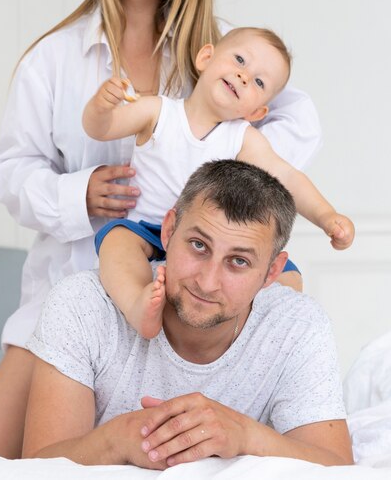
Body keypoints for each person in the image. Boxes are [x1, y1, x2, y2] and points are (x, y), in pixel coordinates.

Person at [0, 0, 321, 458]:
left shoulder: (215, 56)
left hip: (185, 304)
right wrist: (82, 196)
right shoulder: (54, 58)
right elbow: (11, 173)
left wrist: (222, 158)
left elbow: (295, 117)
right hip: (71, 296)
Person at [21, 160, 353, 468]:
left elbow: (337, 467)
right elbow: (37, 468)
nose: (207, 283)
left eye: (238, 261)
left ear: (270, 273)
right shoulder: (83, 305)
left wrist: (245, 435)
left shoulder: (297, 326)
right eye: (198, 245)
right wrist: (118, 439)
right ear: (168, 232)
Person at [83, 27, 355, 339]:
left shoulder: (243, 138)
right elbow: (101, 129)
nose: (243, 76)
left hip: (212, 241)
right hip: (148, 228)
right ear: (206, 57)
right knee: (115, 243)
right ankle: (136, 306)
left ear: (257, 112)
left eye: (258, 81)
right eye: (240, 60)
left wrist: (327, 216)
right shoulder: (157, 111)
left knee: (288, 276)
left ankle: (250, 335)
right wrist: (101, 108)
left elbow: (288, 177)